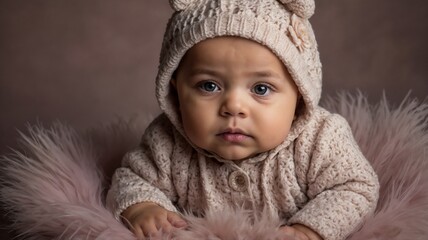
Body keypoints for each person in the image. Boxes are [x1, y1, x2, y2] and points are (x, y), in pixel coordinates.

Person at [106, 0, 379, 239]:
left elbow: (356, 187)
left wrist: (310, 230)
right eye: (208, 86)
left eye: (261, 89)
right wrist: (143, 206)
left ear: (299, 94)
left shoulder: (319, 138)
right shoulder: (167, 142)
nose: (233, 107)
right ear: (176, 91)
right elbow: (131, 179)